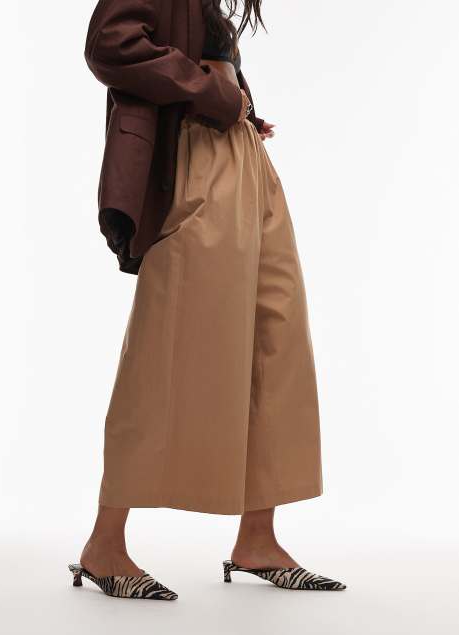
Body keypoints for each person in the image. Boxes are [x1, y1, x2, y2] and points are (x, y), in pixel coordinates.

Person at [68, 0, 346, 600]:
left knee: (275, 341)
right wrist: (211, 93)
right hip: (196, 166)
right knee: (165, 351)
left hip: (247, 159)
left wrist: (241, 104)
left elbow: (205, 55)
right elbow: (110, 44)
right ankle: (105, 544)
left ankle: (258, 539)